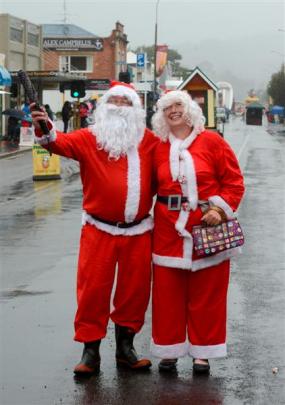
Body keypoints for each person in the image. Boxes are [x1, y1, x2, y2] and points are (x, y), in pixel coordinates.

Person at [30, 81, 158, 376]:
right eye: (114, 101)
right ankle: (90, 352)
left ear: (136, 109)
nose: (119, 107)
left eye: (125, 102)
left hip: (138, 232)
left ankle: (126, 349)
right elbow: (56, 142)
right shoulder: (90, 138)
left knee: (134, 292)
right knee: (92, 290)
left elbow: (170, 173)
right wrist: (43, 126)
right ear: (104, 107)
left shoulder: (150, 141)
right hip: (98, 229)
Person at [150, 90, 245, 374]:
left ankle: (202, 352)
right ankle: (170, 349)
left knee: (208, 294)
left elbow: (234, 182)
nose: (173, 111)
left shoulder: (212, 141)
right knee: (167, 294)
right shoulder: (156, 146)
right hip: (167, 230)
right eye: (167, 108)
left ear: (189, 109)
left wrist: (219, 210)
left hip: (208, 226)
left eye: (178, 105)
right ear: (161, 115)